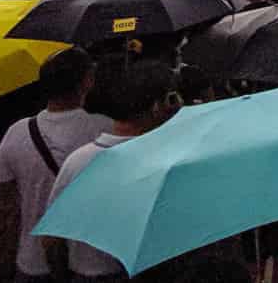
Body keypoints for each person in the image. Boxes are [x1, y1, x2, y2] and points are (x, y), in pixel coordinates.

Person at [41, 61, 178, 282]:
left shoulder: (78, 161)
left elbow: (51, 238)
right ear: (156, 107)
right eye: (170, 99)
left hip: (86, 274)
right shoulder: (163, 162)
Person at [0, 48, 111, 283]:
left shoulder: (17, 132)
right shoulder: (105, 130)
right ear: (87, 81)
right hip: (93, 263)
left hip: (32, 261)